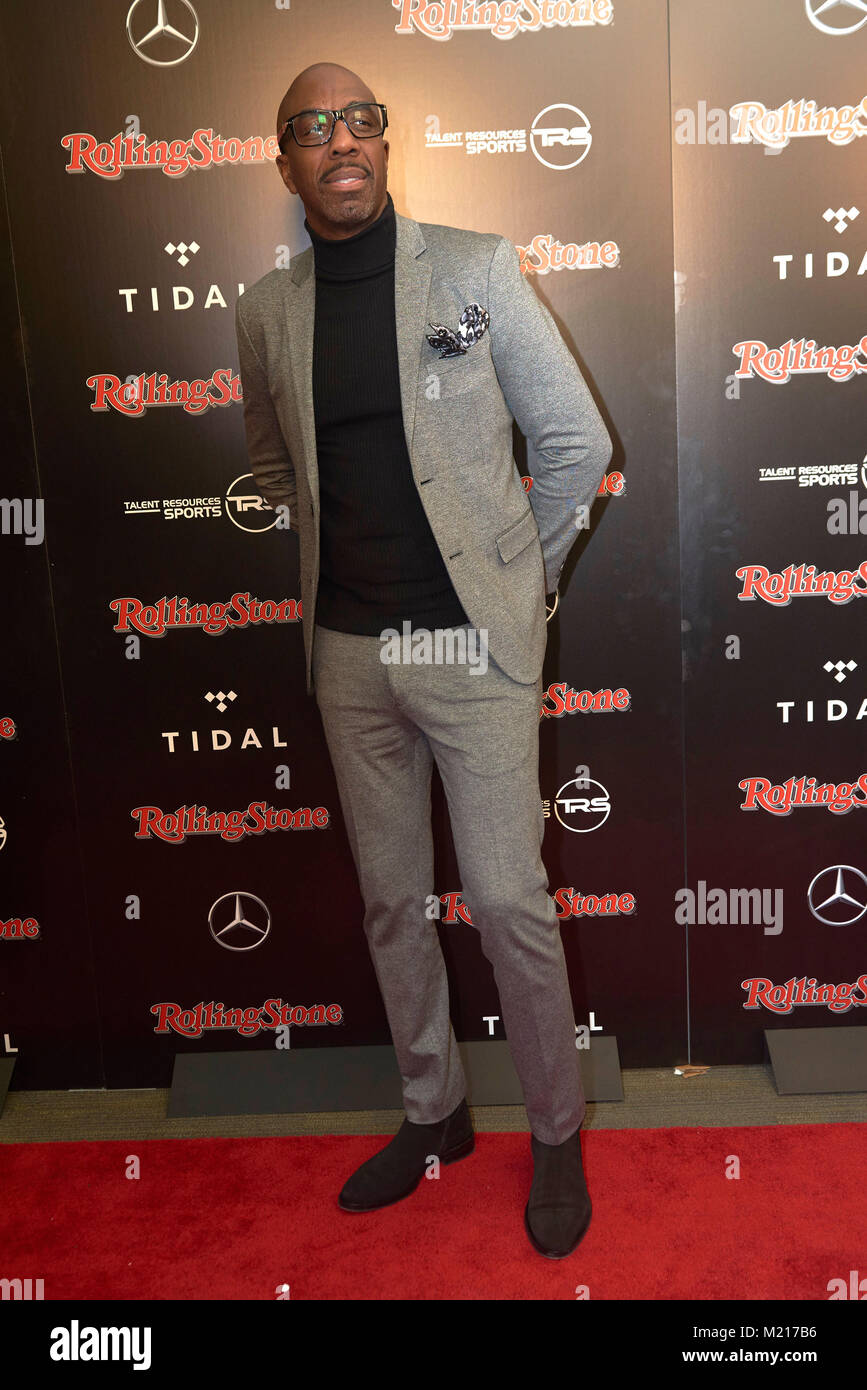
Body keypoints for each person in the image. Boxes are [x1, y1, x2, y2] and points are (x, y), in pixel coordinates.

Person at [235, 61, 613, 1259]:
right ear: (283, 158)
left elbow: (575, 443)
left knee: (506, 896)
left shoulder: (474, 267)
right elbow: (277, 466)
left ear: (385, 143)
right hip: (350, 653)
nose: (338, 142)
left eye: (357, 121)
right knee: (393, 901)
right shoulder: (268, 309)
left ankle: (555, 1132)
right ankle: (433, 1114)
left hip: (466, 644)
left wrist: (519, 582)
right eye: (311, 127)